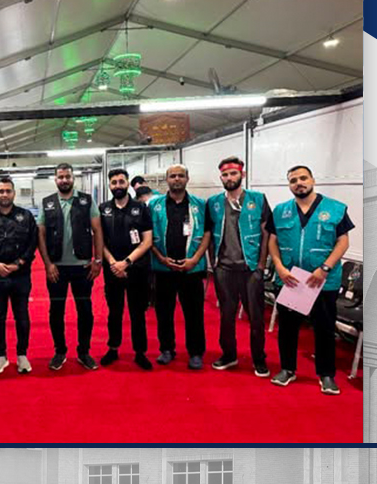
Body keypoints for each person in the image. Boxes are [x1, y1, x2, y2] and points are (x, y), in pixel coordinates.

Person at [267, 165, 354, 395]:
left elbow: (343, 241)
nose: (299, 183)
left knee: (324, 329)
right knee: (287, 329)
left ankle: (326, 375)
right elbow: (272, 241)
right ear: (289, 185)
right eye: (293, 180)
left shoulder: (334, 208)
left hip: (322, 281)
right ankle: (287, 369)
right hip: (291, 280)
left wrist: (325, 268)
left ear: (313, 180)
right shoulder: (281, 211)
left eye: (303, 178)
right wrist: (279, 267)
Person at [206, 156, 272, 377]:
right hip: (224, 268)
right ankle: (229, 354)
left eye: (233, 173)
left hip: (250, 268)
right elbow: (209, 235)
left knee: (255, 317)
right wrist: (213, 264)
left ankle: (259, 359)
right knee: (226, 315)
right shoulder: (214, 203)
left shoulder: (258, 200)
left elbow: (266, 233)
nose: (229, 178)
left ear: (242, 175)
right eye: (225, 175)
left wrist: (261, 265)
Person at [37, 163, 104, 371]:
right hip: (56, 269)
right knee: (56, 311)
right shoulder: (47, 203)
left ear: (73, 178)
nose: (64, 180)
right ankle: (60, 351)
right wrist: (48, 264)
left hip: (82, 268)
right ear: (55, 179)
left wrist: (98, 260)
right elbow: (41, 234)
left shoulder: (86, 201)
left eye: (67, 176)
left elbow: (97, 230)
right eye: (60, 177)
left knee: (85, 311)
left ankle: (84, 352)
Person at [148, 164, 211, 369]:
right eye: (173, 176)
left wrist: (195, 259)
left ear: (187, 179)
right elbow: (147, 236)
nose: (177, 179)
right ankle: (167, 349)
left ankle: (196, 352)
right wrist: (161, 258)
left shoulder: (200, 205)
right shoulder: (154, 205)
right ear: (166, 179)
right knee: (163, 312)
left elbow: (207, 234)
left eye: (180, 176)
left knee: (194, 313)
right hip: (163, 268)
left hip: (191, 269)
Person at [0, 177, 37, 375]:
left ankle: (22, 354)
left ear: (13, 193)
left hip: (20, 275)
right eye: (1, 191)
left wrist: (19, 263)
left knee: (22, 316)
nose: (4, 194)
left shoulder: (26, 216)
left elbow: (33, 242)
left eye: (8, 191)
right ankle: (1, 356)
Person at [99, 169, 154, 370]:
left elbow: (147, 241)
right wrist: (113, 262)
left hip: (136, 269)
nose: (117, 186)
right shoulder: (103, 209)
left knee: (137, 313)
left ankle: (140, 352)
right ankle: (113, 348)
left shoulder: (141, 208)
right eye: (114, 182)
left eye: (121, 181)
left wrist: (127, 262)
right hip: (113, 270)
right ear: (109, 185)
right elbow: (100, 241)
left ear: (128, 183)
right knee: (114, 312)